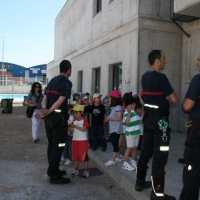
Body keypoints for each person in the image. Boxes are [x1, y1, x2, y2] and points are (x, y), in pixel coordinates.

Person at [135, 50, 178, 200]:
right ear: (157, 61)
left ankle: (139, 182)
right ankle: (157, 193)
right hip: (161, 121)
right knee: (161, 154)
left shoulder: (145, 77)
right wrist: (168, 98)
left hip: (148, 120)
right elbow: (175, 98)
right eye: (164, 59)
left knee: (146, 150)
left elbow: (151, 96)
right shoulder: (161, 77)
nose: (165, 61)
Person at [39, 60, 72, 184]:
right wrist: (48, 111)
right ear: (69, 69)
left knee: (52, 146)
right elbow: (59, 102)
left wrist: (44, 110)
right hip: (59, 120)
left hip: (49, 120)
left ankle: (54, 169)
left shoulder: (52, 81)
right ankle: (53, 174)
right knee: (59, 147)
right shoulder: (66, 83)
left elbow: (45, 98)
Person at [179, 54, 200, 200]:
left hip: (197, 132)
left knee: (192, 170)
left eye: (199, 59)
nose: (197, 62)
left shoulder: (198, 79)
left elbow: (187, 106)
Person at [69, 105, 89, 179]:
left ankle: (86, 171)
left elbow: (84, 129)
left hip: (82, 141)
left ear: (81, 112)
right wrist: (69, 127)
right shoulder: (74, 121)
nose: (75, 114)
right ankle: (76, 169)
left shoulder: (84, 120)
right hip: (74, 141)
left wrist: (74, 126)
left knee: (84, 157)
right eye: (74, 113)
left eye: (77, 112)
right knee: (75, 157)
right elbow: (70, 131)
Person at [104, 90, 123, 166]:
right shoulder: (114, 107)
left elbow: (119, 118)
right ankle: (118, 157)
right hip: (113, 128)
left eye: (111, 97)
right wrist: (108, 118)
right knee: (116, 143)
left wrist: (109, 119)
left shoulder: (118, 107)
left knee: (115, 144)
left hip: (116, 129)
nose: (110, 99)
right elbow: (113, 116)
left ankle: (113, 160)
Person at [122, 96, 140, 171]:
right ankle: (125, 163)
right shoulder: (126, 113)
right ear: (130, 104)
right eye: (134, 104)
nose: (135, 105)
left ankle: (133, 161)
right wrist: (129, 112)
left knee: (134, 148)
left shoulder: (135, 112)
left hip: (137, 133)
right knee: (129, 148)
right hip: (130, 133)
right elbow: (126, 122)